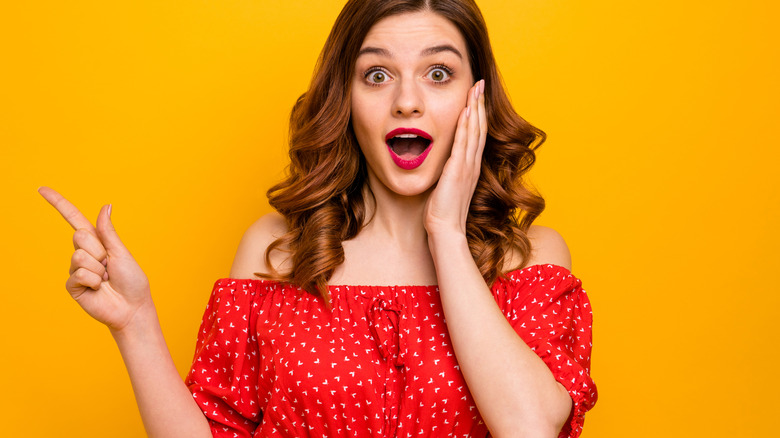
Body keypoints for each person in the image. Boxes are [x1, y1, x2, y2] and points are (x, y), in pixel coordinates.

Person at [40, 0, 597, 436]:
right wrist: (134, 324)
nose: (407, 101)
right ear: (346, 97)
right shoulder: (277, 251)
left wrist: (446, 233)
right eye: (377, 75)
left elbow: (529, 427)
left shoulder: (529, 260)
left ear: (476, 97)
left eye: (438, 73)